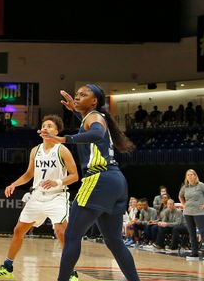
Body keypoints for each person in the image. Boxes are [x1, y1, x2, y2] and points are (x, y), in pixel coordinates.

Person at [44, 85, 139, 281]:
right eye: (77, 94)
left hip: (99, 179)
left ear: (94, 101)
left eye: (83, 95)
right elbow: (90, 127)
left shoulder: (95, 118)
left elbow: (95, 133)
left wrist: (63, 138)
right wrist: (76, 110)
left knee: (71, 236)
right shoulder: (93, 117)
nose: (77, 97)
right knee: (114, 241)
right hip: (116, 181)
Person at [0, 115, 79, 280]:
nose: (45, 128)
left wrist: (56, 182)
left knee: (61, 231)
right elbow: (29, 174)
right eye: (43, 125)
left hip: (57, 196)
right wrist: (13, 184)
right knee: (18, 230)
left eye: (50, 126)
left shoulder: (62, 150)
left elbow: (74, 176)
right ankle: (7, 267)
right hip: (37, 197)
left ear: (57, 131)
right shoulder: (35, 150)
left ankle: (71, 271)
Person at [179, 168, 204, 261]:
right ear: (186, 177)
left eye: (192, 174)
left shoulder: (200, 185)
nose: (190, 176)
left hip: (200, 213)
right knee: (191, 233)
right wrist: (184, 204)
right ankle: (194, 253)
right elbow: (180, 195)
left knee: (203, 233)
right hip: (188, 212)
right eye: (188, 175)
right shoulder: (185, 187)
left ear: (195, 176)